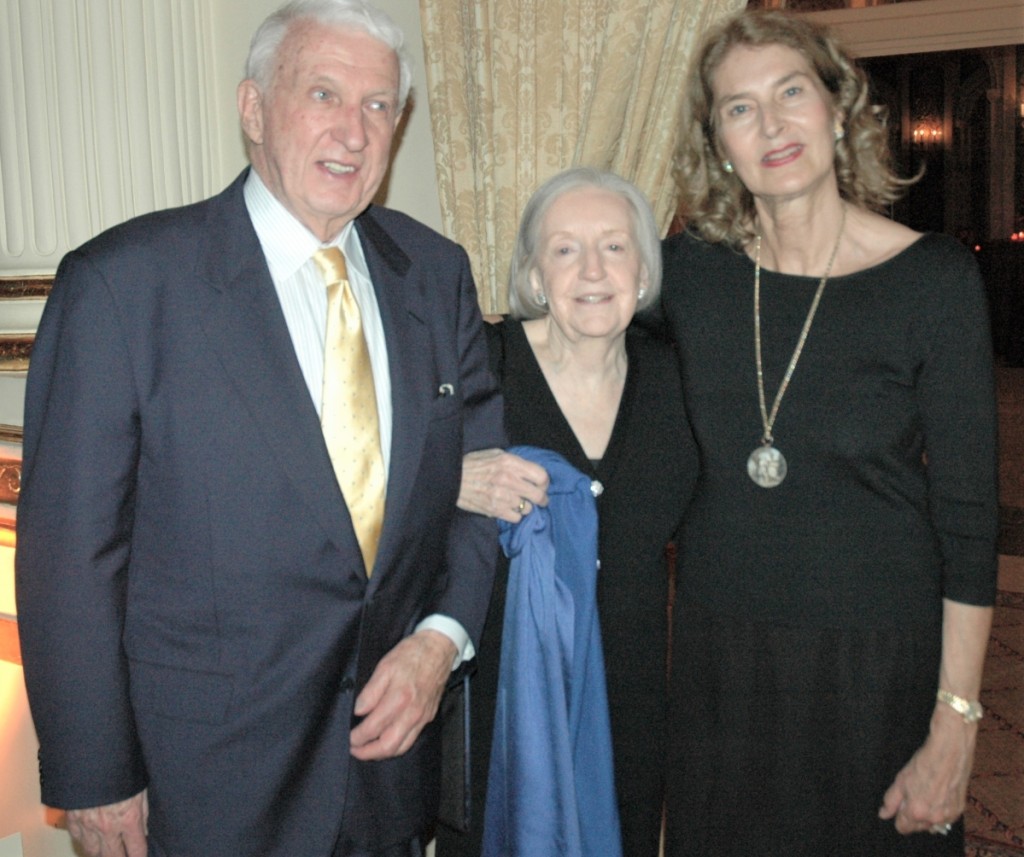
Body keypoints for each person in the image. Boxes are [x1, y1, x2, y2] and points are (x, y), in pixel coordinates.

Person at [14, 2, 504, 855]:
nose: (353, 131)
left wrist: (440, 640)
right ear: (252, 109)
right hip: (203, 783)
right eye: (323, 93)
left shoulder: (436, 274)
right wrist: (97, 774)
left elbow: (482, 480)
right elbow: (70, 555)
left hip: (386, 776)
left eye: (379, 105)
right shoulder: (124, 288)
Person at [657, 10, 998, 856]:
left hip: (876, 665)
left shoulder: (934, 280)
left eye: (790, 92)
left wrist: (956, 719)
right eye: (739, 108)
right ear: (717, 142)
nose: (769, 125)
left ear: (838, 109)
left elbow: (969, 519)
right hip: (721, 657)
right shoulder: (690, 275)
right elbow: (571, 356)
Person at [435, 167, 698, 857]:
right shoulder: (482, 367)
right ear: (532, 272)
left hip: (632, 692)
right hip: (506, 692)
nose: (592, 269)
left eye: (615, 246)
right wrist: (449, 478)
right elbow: (379, 473)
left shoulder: (678, 377)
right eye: (564, 248)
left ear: (644, 270)